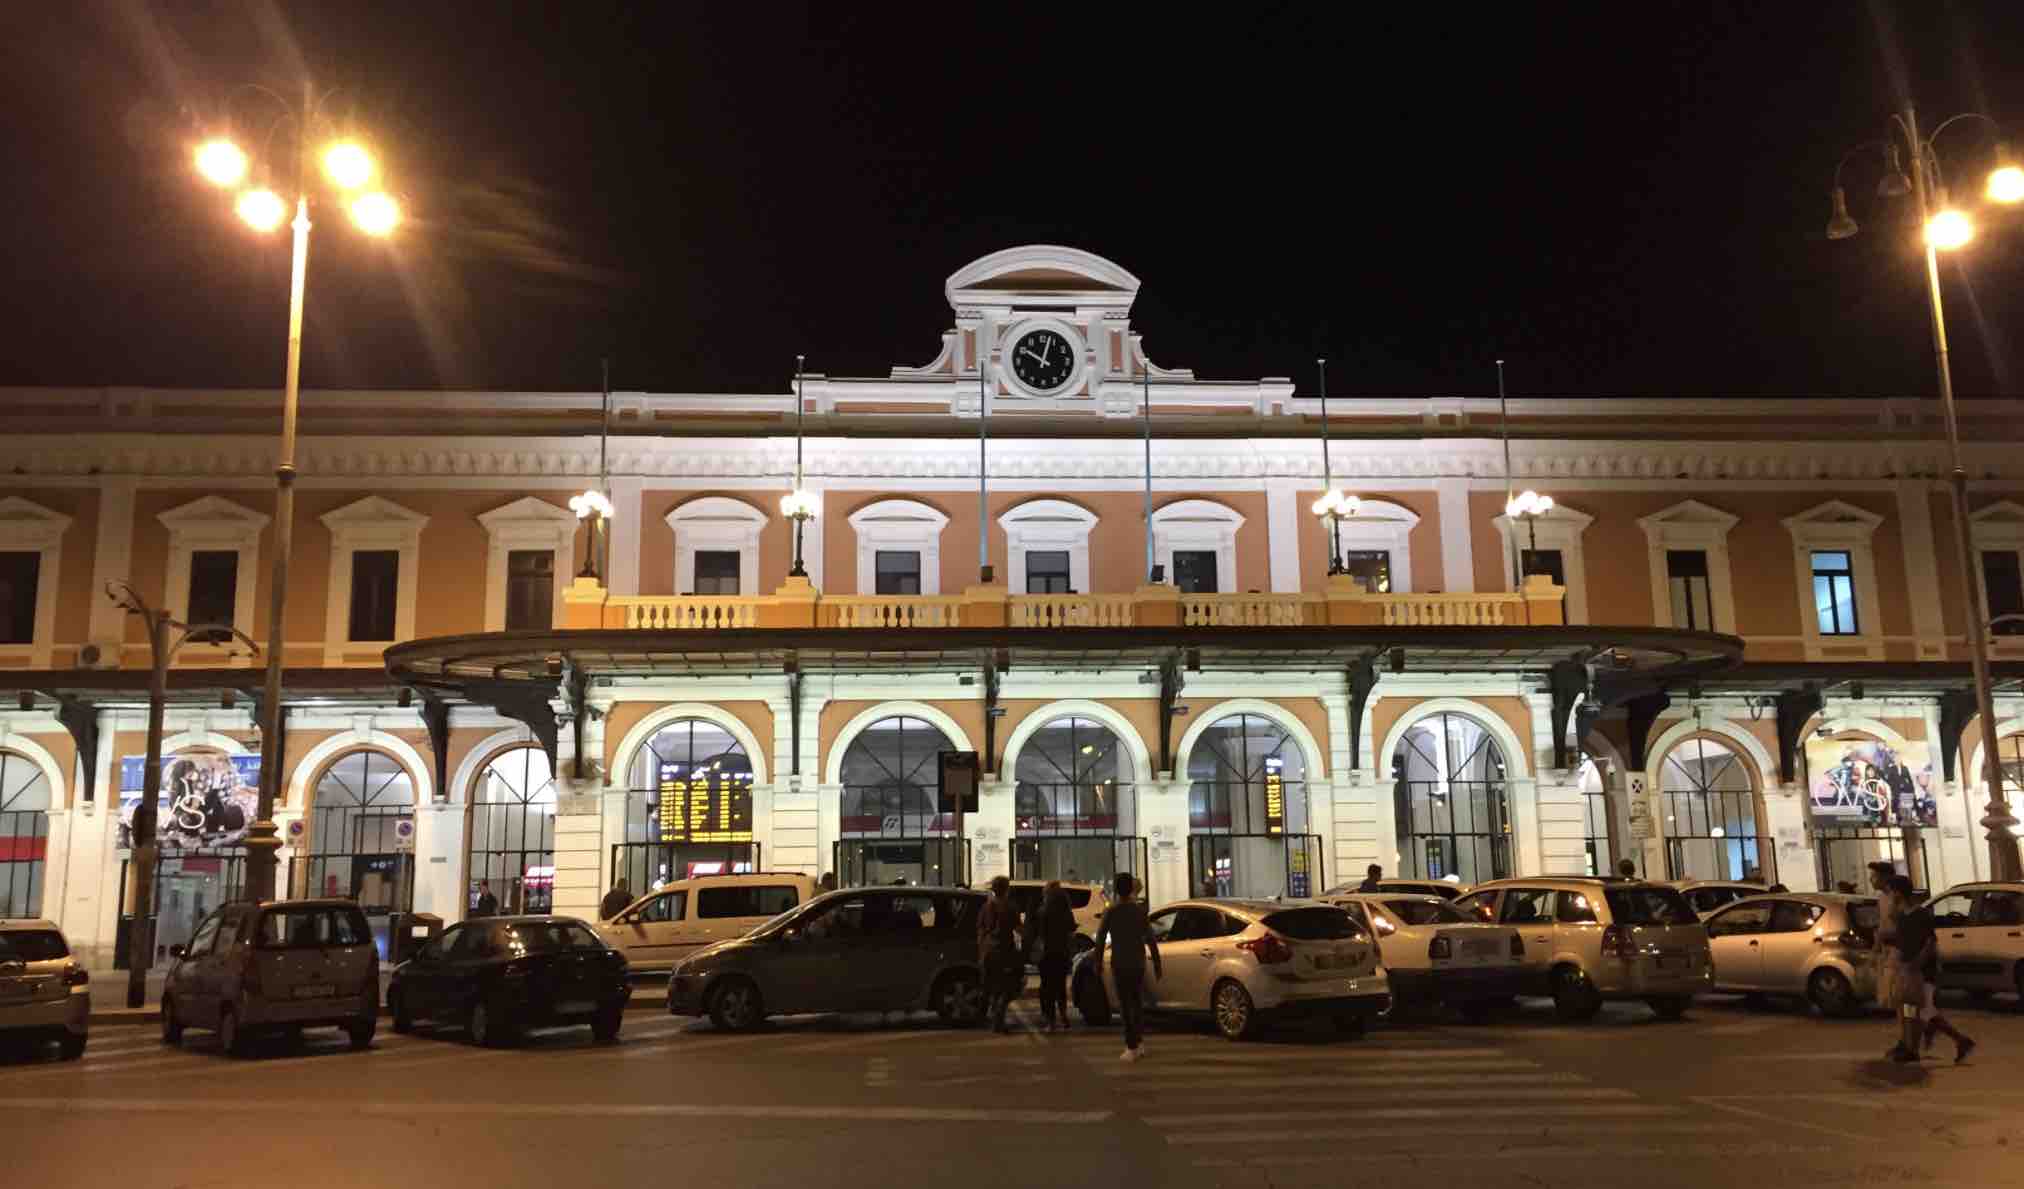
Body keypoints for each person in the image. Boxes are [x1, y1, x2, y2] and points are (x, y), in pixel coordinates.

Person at [1889, 878, 1975, 1064]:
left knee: (1924, 1010)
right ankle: (1914, 1048)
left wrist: (1919, 962)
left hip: (1923, 972)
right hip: (1909, 970)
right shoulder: (1902, 916)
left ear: (1899, 892)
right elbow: (1901, 943)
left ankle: (1959, 1040)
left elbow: (1930, 942)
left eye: (1892, 891)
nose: (1890, 896)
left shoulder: (1920, 914)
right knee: (1914, 1010)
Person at [1092, 870, 1162, 1062]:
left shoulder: (1112, 911)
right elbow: (1151, 938)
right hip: (1138, 963)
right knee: (1137, 1004)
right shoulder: (1139, 911)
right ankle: (1139, 1043)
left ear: (1116, 889)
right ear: (1131, 888)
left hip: (1120, 963)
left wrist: (1097, 962)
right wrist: (1156, 963)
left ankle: (1131, 1046)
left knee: (1125, 1005)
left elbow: (1100, 939)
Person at [977, 875, 1023, 1033]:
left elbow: (980, 929)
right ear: (1006, 889)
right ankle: (998, 1021)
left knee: (990, 988)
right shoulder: (1010, 907)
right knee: (1006, 988)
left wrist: (982, 949)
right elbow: (1018, 928)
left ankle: (988, 1018)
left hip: (988, 952)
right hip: (1003, 952)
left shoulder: (986, 906)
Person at [1034, 880, 1076, 1033]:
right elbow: (1071, 932)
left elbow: (1039, 934)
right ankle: (1063, 1015)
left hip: (1047, 953)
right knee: (1060, 985)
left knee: (1047, 987)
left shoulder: (1042, 911)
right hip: (1062, 952)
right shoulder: (1066, 912)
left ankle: (1050, 1021)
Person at [1869, 861, 1903, 1018]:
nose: (1871, 879)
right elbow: (1882, 924)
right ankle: (1905, 1034)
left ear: (1885, 877)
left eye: (1874, 876)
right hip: (1886, 950)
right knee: (1891, 996)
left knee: (1899, 994)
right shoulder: (1881, 898)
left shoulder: (1898, 897)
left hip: (1899, 949)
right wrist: (1876, 949)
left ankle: (1909, 1033)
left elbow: (1903, 925)